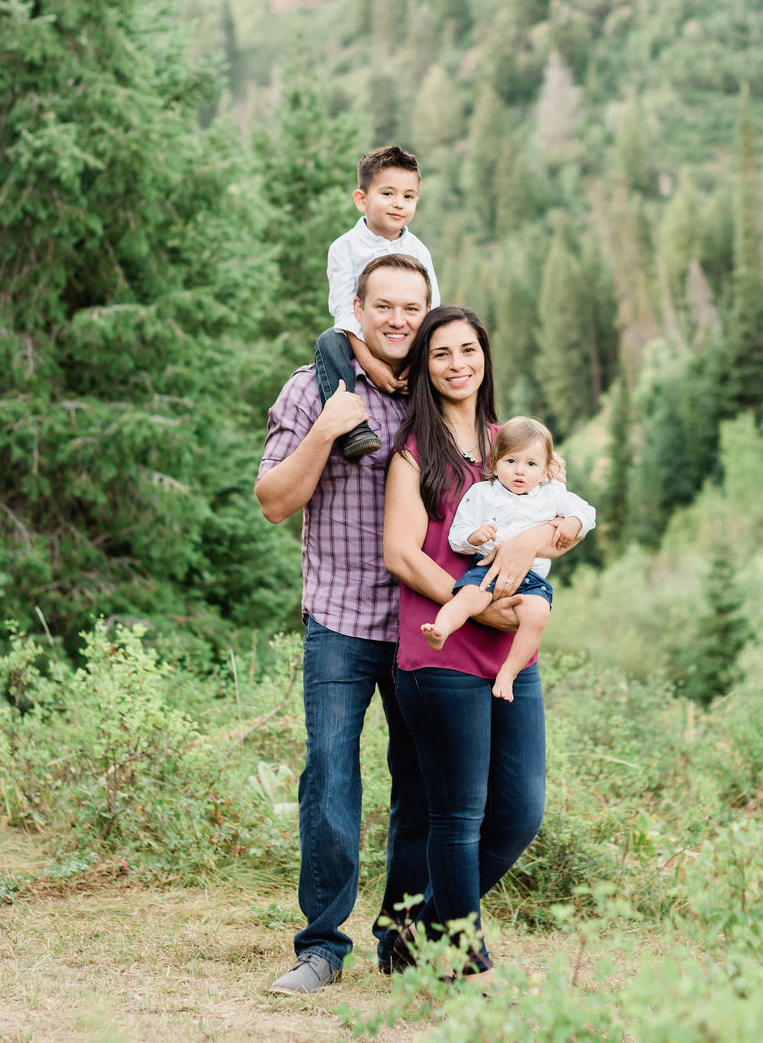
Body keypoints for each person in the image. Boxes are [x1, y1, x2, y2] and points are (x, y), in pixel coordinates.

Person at [382, 307, 585, 981]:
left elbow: (567, 519)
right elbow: (401, 553)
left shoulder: (516, 441)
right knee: (459, 813)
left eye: (468, 349)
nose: (457, 363)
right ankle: (464, 958)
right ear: (425, 366)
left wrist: (538, 538)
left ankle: (419, 929)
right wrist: (475, 606)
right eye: (441, 353)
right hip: (441, 646)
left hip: (509, 655)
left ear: (485, 357)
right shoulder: (414, 451)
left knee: (520, 811)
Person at [255, 255, 433, 995]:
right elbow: (273, 501)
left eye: (411, 308)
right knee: (330, 776)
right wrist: (326, 430)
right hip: (339, 618)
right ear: (356, 309)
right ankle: (322, 948)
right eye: (383, 305)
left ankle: (405, 942)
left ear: (426, 312)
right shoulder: (313, 387)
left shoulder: (436, 392)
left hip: (422, 622)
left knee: (422, 786)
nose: (397, 320)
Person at [422, 415, 596, 701]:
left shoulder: (552, 493)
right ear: (494, 463)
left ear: (545, 470)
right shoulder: (482, 493)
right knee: (468, 597)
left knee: (537, 614)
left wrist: (573, 521)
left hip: (531, 579)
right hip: (488, 567)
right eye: (511, 461)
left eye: (531, 464)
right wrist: (474, 537)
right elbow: (457, 536)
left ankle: (509, 672)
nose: (520, 471)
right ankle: (440, 629)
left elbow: (587, 512)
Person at [314, 145, 440, 460]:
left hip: (408, 338)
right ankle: (353, 428)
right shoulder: (344, 248)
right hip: (359, 338)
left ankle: (437, 427)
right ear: (362, 200)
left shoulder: (418, 251)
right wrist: (370, 363)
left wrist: (414, 361)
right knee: (328, 341)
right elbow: (343, 310)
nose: (399, 203)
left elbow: (432, 307)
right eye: (388, 193)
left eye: (408, 196)